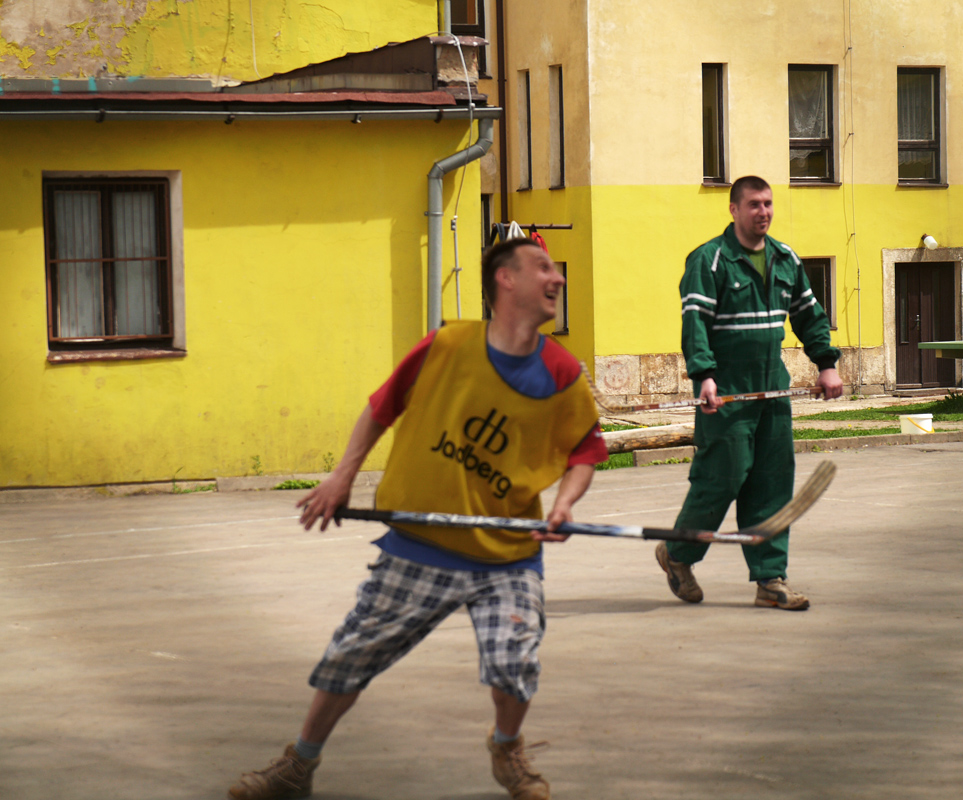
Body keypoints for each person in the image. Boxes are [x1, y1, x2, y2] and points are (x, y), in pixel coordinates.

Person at [228, 238, 607, 800]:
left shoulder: (561, 372)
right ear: (506, 279)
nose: (557, 279)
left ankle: (507, 748)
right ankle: (297, 765)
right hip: (422, 542)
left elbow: (586, 448)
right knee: (351, 656)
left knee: (514, 663)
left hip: (507, 554)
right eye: (543, 269)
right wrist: (342, 476)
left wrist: (565, 503)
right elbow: (383, 407)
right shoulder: (447, 346)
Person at [655, 175, 843, 611]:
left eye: (769, 204)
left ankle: (770, 579)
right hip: (727, 391)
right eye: (754, 204)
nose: (764, 212)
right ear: (734, 210)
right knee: (721, 480)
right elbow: (695, 325)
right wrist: (704, 377)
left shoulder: (785, 259)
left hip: (771, 389)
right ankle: (678, 555)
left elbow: (809, 315)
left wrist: (826, 365)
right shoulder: (710, 260)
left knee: (772, 485)